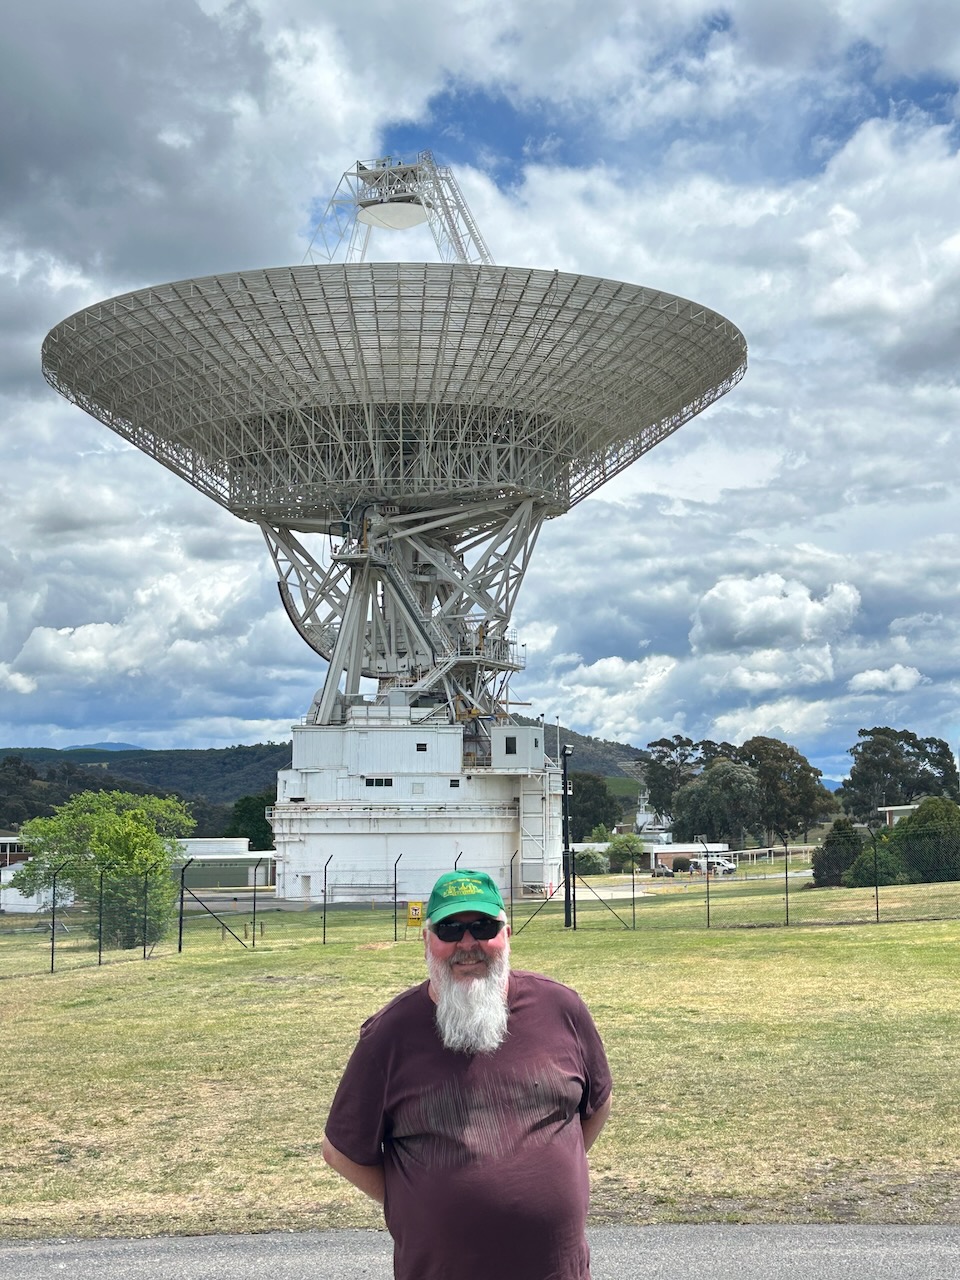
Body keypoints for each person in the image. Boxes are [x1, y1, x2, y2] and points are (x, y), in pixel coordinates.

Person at [322, 868, 612, 1280]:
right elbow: (340, 1151)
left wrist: (552, 1169)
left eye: (483, 927)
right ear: (427, 940)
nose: (468, 943)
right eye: (450, 929)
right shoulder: (390, 1034)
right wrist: (411, 1203)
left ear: (506, 935)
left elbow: (597, 1104)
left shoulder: (561, 1008)